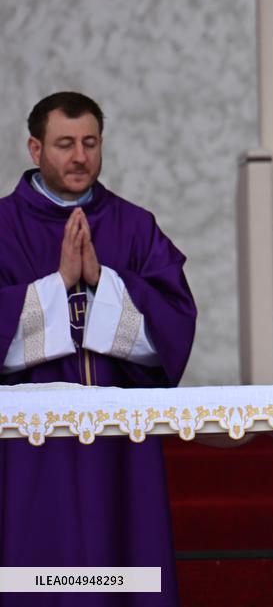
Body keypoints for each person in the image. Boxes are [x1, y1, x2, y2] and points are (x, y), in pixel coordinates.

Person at [0, 92, 197, 606]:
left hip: (121, 445)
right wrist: (58, 283)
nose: (80, 156)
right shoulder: (2, 227)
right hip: (29, 446)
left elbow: (174, 326)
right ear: (35, 148)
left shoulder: (134, 226)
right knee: (38, 571)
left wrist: (102, 282)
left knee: (126, 569)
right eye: (65, 144)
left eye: (90, 142)